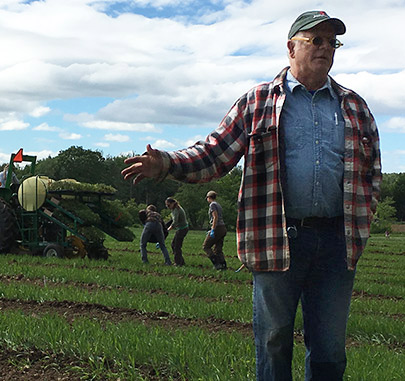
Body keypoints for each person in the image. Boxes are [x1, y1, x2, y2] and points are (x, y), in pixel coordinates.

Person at [121, 10, 381, 380]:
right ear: (291, 48)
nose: (325, 48)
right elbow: (213, 154)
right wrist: (166, 163)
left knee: (329, 350)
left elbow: (372, 173)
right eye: (316, 40)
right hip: (277, 237)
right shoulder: (257, 102)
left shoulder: (354, 106)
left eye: (331, 41)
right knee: (274, 342)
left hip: (335, 243)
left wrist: (361, 226)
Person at [203, 191, 227, 270]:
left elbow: (215, 217)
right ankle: (223, 265)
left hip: (217, 228)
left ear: (208, 198)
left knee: (206, 246)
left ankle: (216, 264)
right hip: (223, 227)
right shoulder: (218, 204)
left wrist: (212, 229)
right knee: (218, 249)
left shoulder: (212, 205)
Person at [165, 197, 188, 266]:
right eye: (166, 206)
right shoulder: (174, 209)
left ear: (173, 203)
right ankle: (181, 261)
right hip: (180, 229)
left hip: (182, 229)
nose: (168, 207)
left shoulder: (176, 210)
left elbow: (175, 222)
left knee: (176, 246)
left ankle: (178, 263)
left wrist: (168, 229)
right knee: (174, 245)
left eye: (169, 205)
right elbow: (172, 220)